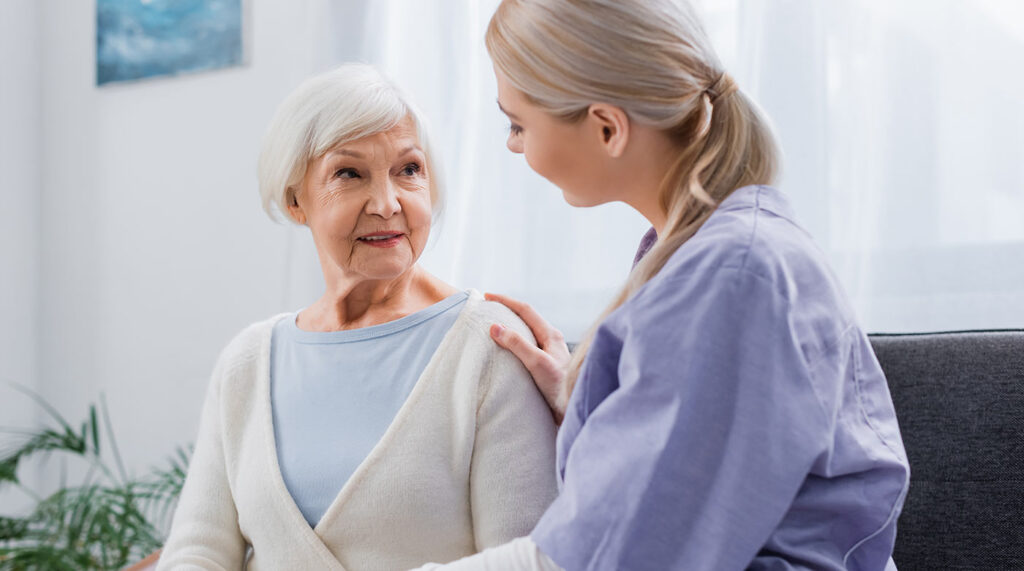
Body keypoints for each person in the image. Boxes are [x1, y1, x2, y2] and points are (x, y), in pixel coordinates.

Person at [417, 0, 910, 569]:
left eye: (518, 124)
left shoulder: (731, 278)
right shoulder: (711, 252)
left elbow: (607, 555)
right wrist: (595, 407)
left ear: (607, 127)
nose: (513, 145)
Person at [158, 64, 558, 570]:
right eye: (349, 174)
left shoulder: (491, 345)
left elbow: (526, 560)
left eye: (409, 170)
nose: (388, 203)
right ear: (295, 200)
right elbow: (196, 552)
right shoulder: (248, 362)